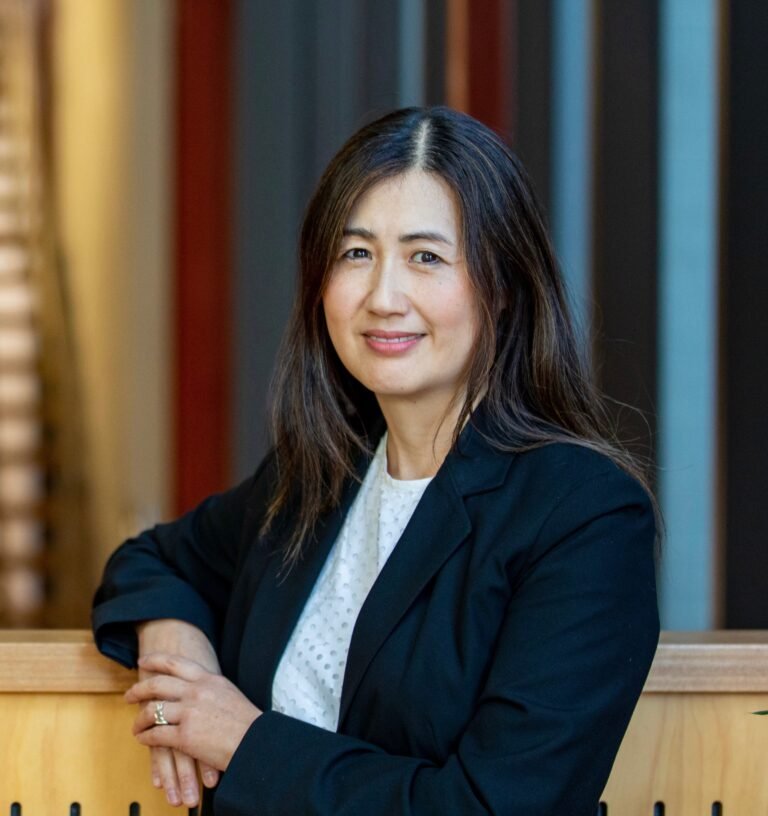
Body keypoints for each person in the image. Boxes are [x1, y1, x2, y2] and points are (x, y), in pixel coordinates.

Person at [92, 106, 660, 816]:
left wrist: (241, 740)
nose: (383, 298)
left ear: (504, 289)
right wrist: (180, 658)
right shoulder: (322, 478)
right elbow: (153, 562)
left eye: (426, 257)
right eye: (356, 254)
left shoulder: (583, 515)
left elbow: (494, 807)